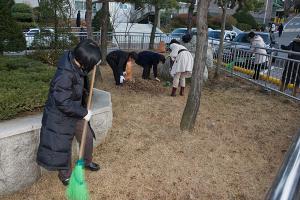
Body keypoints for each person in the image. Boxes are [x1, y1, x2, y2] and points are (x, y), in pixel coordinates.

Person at [36, 39, 101, 186]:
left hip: (74, 110)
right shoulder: (64, 75)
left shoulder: (76, 62)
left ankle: (86, 161)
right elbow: (62, 102)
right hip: (60, 115)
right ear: (84, 60)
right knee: (62, 145)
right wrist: (83, 113)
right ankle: (65, 175)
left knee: (87, 137)